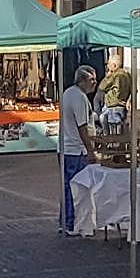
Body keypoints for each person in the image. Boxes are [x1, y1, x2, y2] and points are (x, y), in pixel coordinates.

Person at [60, 65, 98, 236]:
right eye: (92, 80)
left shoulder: (68, 93)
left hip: (66, 148)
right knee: (77, 188)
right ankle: (72, 223)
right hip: (75, 150)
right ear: (82, 80)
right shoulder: (79, 97)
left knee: (68, 187)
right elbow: (82, 127)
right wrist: (90, 150)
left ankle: (65, 222)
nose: (95, 83)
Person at [97, 52, 132, 130]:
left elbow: (102, 87)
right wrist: (128, 101)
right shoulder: (128, 75)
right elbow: (133, 90)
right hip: (122, 106)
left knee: (113, 130)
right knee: (119, 127)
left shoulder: (114, 76)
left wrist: (108, 75)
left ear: (114, 65)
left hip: (113, 105)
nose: (107, 66)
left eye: (108, 64)